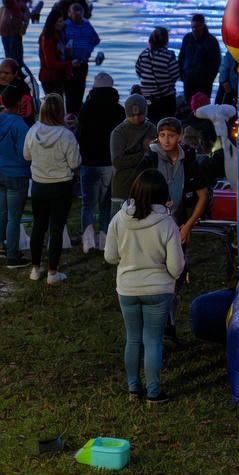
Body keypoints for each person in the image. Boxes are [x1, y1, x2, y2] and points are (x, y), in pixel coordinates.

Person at [104, 168, 186, 403]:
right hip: (159, 290)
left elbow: (110, 256)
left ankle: (133, 388)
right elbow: (176, 267)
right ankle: (153, 391)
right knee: (153, 341)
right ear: (163, 193)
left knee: (133, 339)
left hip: (128, 288)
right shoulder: (167, 223)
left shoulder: (118, 219)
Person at [135, 116, 209, 339]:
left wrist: (187, 226)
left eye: (171, 136)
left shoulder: (188, 159)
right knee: (154, 271)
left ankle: (170, 322)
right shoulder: (149, 158)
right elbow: (138, 191)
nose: (166, 140)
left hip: (179, 223)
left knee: (176, 272)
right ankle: (153, 323)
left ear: (179, 136)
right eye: (163, 136)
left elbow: (202, 194)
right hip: (154, 224)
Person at [23, 92, 81, 285]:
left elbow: (26, 155)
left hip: (39, 184)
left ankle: (35, 268)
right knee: (56, 228)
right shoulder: (66, 135)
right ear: (60, 112)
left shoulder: (33, 131)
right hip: (61, 186)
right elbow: (74, 163)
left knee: (39, 226)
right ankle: (52, 272)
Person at [77, 71, 125, 252]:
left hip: (89, 162)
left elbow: (80, 135)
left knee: (88, 204)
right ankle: (105, 239)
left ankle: (87, 241)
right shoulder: (119, 110)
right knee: (106, 204)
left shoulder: (86, 108)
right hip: (109, 163)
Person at [0, 84, 32, 268]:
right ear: (19, 102)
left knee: (2, 212)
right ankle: (12, 256)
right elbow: (25, 153)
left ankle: (2, 246)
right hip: (16, 175)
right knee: (14, 216)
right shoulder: (20, 124)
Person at [109, 94, 158, 213]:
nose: (136, 118)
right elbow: (117, 162)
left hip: (146, 187)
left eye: (140, 115)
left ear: (145, 112)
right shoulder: (118, 132)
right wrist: (145, 152)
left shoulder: (151, 129)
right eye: (132, 115)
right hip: (123, 188)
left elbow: (156, 157)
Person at [62, 2, 100, 113]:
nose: (78, 14)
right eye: (75, 12)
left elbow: (95, 40)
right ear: (69, 13)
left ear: (83, 13)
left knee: (79, 94)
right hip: (69, 66)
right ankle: (69, 117)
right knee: (69, 95)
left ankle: (76, 117)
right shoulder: (65, 26)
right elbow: (60, 44)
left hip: (83, 64)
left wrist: (88, 50)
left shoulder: (87, 24)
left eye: (80, 11)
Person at [135, 27, 179, 123]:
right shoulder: (168, 55)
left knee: (151, 124)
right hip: (165, 99)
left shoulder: (143, 55)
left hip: (148, 100)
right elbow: (175, 75)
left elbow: (138, 71)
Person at [1, 0, 41, 64]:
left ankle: (17, 72)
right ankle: (11, 74)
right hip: (9, 26)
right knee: (12, 56)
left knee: (17, 55)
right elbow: (12, 7)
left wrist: (33, 12)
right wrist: (24, 17)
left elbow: (28, 3)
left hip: (18, 27)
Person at [178, 14, 221, 103]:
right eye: (193, 27)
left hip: (204, 83)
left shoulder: (211, 41)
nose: (195, 29)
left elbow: (216, 62)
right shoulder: (187, 38)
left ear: (203, 26)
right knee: (188, 106)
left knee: (203, 108)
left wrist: (209, 79)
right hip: (188, 81)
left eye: (197, 27)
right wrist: (182, 75)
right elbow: (181, 57)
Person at [38, 7, 79, 97]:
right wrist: (70, 64)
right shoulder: (47, 38)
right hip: (50, 78)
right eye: (60, 21)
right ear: (53, 23)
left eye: (62, 21)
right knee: (55, 104)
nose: (63, 24)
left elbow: (56, 51)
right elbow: (50, 63)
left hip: (57, 77)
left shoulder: (56, 35)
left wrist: (65, 50)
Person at [0, 58, 35, 124]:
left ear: (15, 73)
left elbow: (26, 115)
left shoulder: (22, 88)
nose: (2, 76)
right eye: (0, 72)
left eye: (7, 73)